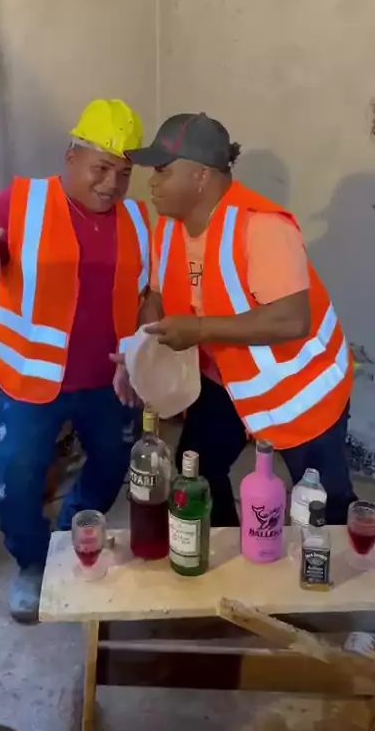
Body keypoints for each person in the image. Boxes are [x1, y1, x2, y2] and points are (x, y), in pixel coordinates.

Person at [0, 99, 150, 622]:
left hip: (110, 381)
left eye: (124, 174)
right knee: (17, 475)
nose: (111, 184)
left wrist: (140, 354)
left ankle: (68, 537)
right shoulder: (23, 202)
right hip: (33, 380)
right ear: (71, 157)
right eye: (100, 168)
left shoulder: (138, 219)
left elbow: (147, 294)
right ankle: (33, 564)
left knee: (113, 465)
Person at [125, 111, 356, 527]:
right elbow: (158, 296)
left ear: (200, 176)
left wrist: (198, 330)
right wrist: (141, 348)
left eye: (162, 170)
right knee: (197, 468)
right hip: (229, 382)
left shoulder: (262, 227)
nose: (151, 182)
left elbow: (292, 321)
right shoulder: (170, 230)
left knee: (324, 504)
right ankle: (230, 551)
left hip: (301, 391)